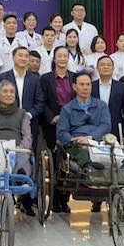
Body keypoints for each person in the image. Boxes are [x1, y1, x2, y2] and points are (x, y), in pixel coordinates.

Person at [0, 80, 36, 216]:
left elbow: (27, 135)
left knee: (23, 155)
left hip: (16, 147)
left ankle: (21, 178)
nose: (9, 94)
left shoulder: (22, 114)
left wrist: (21, 147)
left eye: (12, 92)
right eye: (5, 91)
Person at [90, 55, 124, 213]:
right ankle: (97, 199)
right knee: (98, 162)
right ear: (97, 68)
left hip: (115, 130)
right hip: (95, 130)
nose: (106, 67)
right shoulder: (91, 86)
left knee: (115, 163)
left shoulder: (122, 87)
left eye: (109, 65)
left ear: (113, 68)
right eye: (102, 65)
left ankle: (116, 197)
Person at [40, 46, 74, 213]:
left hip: (71, 124)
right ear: (54, 59)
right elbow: (42, 100)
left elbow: (78, 99)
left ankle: (64, 199)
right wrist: (51, 116)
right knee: (54, 162)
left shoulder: (74, 77)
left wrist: (68, 117)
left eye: (65, 56)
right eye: (59, 56)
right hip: (52, 123)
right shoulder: (46, 78)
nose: (62, 58)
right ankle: (53, 199)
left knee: (69, 162)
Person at [56, 72, 112, 170]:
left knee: (116, 152)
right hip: (77, 143)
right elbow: (62, 132)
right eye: (82, 85)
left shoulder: (101, 105)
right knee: (80, 154)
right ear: (74, 87)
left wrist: (91, 138)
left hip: (99, 141)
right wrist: (75, 141)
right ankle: (88, 166)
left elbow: (106, 125)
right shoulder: (67, 109)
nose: (85, 88)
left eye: (88, 84)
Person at [0, 47, 45, 146]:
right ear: (13, 57)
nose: (23, 58)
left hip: (30, 125)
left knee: (30, 154)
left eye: (26, 56)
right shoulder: (3, 77)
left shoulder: (35, 79)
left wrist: (29, 115)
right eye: (20, 55)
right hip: (8, 125)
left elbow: (40, 102)